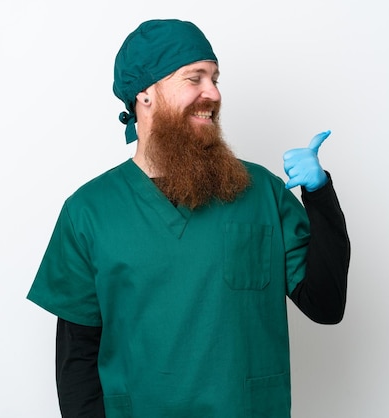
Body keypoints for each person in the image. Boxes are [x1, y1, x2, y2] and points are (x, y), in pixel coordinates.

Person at [27, 19, 350, 418]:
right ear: (145, 94)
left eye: (215, 78)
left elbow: (327, 305)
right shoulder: (89, 212)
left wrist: (319, 195)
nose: (213, 93)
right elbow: (76, 362)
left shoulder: (262, 192)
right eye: (194, 78)